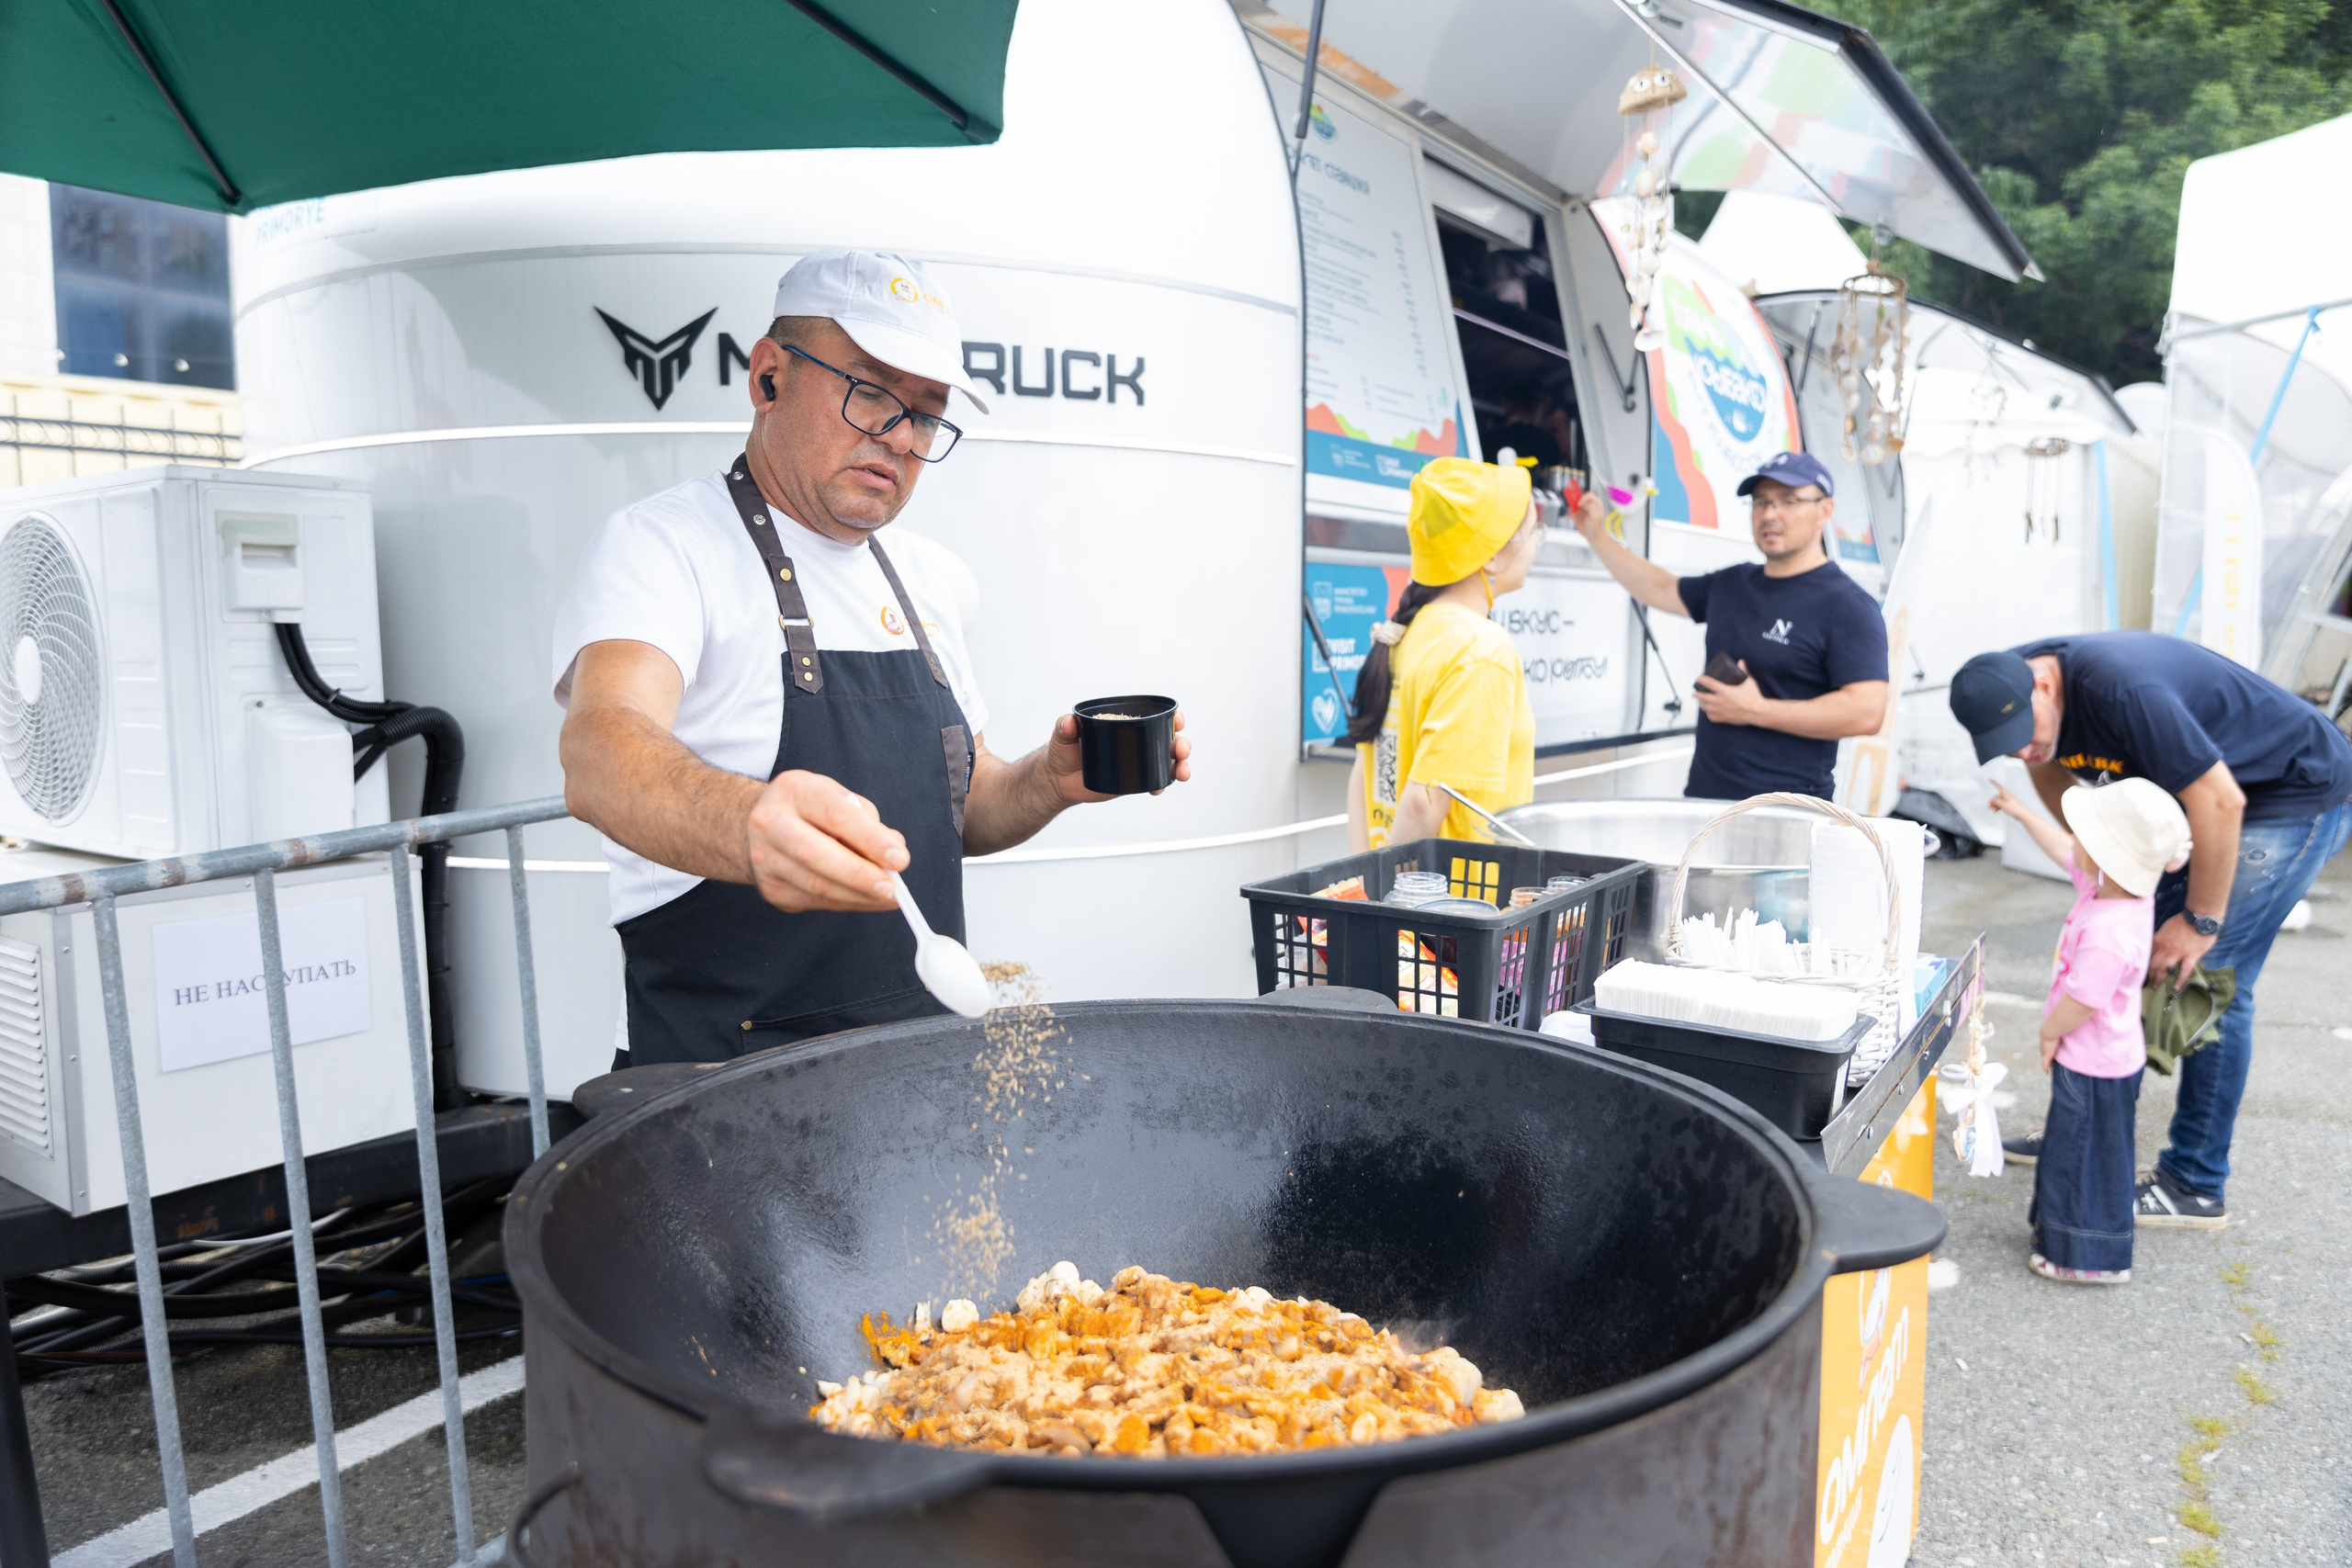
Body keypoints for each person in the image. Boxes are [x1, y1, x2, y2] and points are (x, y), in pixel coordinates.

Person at [552, 248, 1192, 1066]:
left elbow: (963, 809)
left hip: (914, 1086)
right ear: (769, 376)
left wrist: (1049, 781)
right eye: (869, 392)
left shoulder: (928, 578)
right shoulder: (664, 546)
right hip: (718, 1089)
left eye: (924, 414)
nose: (898, 436)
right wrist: (750, 826)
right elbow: (600, 750)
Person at [1951, 633, 2352, 1227]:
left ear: (2044, 686)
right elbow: (2047, 767)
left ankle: (2194, 1182)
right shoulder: (2005, 683)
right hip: (2198, 801)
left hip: (2285, 792)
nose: (2024, 749)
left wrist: (2199, 921)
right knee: (2136, 965)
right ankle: (2086, 1127)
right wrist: (2099, 861)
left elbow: (2221, 801)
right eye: (2008, 745)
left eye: (2026, 733)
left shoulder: (2121, 689)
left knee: (2209, 980)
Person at [1575, 451, 1888, 800]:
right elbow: (1658, 587)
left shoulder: (1847, 606)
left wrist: (1757, 711)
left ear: (1825, 510)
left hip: (1789, 812)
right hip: (1705, 804)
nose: (1770, 514)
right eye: (1761, 502)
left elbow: (1867, 712)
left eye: (1789, 501)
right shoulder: (1732, 584)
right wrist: (1596, 535)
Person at [1986, 775, 2191, 1284]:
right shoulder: (2115, 895)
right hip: (2103, 1058)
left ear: (2106, 856)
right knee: (2078, 1149)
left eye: (2084, 835)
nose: (2073, 840)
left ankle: (2084, 1256)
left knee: (2080, 1157)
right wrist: (2020, 812)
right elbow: (2064, 850)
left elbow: (2084, 999)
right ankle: (2064, 1237)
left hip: (2093, 1065)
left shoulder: (2108, 930)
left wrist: (2049, 1032)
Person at [1346, 457, 1587, 849]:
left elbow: (1363, 775)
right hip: (1456, 888)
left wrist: (1364, 879)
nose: (1534, 545)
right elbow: (1424, 804)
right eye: (1533, 532)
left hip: (1394, 882)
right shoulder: (1481, 650)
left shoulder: (1405, 632)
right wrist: (1387, 888)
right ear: (1490, 554)